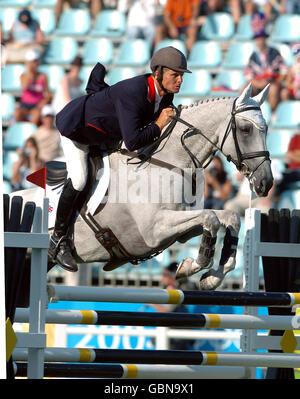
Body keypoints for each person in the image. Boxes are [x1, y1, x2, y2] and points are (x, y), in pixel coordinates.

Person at [49, 46, 191, 272]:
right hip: (78, 130)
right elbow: (134, 141)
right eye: (175, 74)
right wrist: (158, 124)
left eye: (182, 75)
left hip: (106, 134)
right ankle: (58, 239)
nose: (180, 80)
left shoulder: (166, 94)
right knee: (80, 179)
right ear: (157, 73)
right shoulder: (134, 92)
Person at [244, 12, 287, 111]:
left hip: (272, 83)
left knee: (274, 89)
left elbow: (283, 71)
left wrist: (275, 83)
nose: (260, 41)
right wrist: (260, 84)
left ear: (265, 39)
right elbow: (249, 76)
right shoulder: (253, 57)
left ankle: (272, 113)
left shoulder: (274, 53)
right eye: (258, 39)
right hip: (259, 84)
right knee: (244, 90)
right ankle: (245, 114)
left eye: (261, 38)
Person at [14, 49, 52, 125]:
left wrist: (42, 103)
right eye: (31, 62)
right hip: (25, 105)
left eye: (35, 61)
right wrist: (29, 73)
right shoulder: (23, 76)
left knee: (36, 115)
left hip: (37, 105)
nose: (33, 64)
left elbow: (48, 95)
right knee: (17, 114)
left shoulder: (43, 76)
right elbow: (24, 87)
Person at [274, 132, 300, 198]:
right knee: (278, 178)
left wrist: (295, 153)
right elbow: (288, 155)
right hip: (292, 171)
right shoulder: (295, 137)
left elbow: (291, 154)